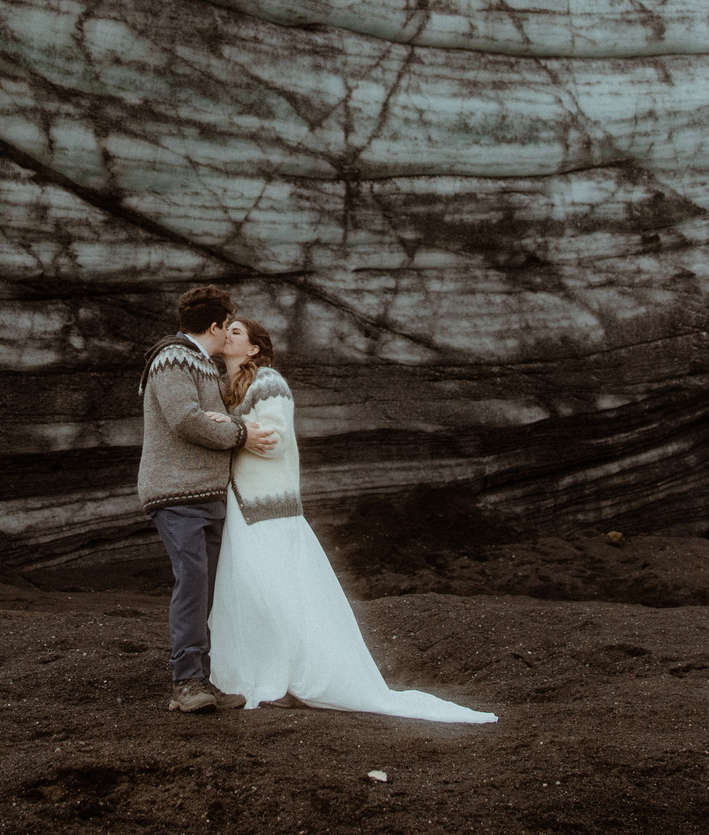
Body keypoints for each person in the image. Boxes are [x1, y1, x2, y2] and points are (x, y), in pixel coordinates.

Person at [206, 318, 497, 723]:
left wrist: (232, 427)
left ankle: (291, 680)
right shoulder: (224, 387)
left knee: (277, 594)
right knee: (247, 593)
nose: (228, 335)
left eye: (237, 332)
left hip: (272, 509)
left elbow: (274, 441)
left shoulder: (269, 382)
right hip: (243, 508)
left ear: (254, 349)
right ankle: (266, 676)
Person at [136, 284, 281, 712]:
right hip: (176, 492)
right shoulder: (173, 358)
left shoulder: (198, 363)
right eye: (228, 326)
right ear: (215, 326)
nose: (230, 334)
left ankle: (203, 677)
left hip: (205, 495)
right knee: (194, 584)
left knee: (209, 588)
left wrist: (233, 423)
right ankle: (187, 682)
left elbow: (208, 416)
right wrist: (242, 434)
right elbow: (184, 419)